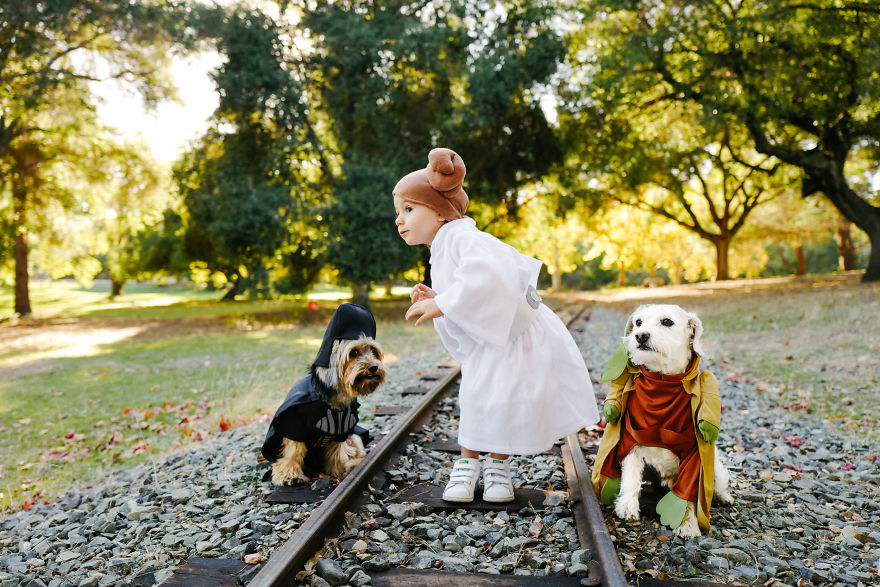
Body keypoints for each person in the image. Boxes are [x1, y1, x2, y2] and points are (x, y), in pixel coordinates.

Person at [393, 147, 600, 503]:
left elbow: (485, 278)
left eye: (409, 210)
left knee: (496, 397)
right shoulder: (445, 243)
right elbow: (469, 288)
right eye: (399, 213)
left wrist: (442, 302)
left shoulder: (462, 236)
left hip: (514, 330)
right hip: (497, 333)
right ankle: (471, 464)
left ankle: (495, 466)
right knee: (479, 396)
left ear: (440, 212)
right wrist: (438, 294)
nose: (400, 220)